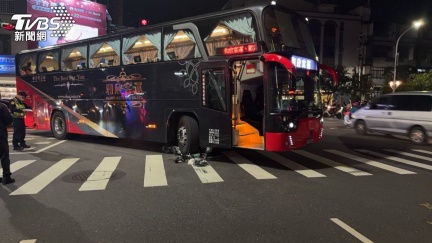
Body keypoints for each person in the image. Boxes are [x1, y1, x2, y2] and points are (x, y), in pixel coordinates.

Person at [0, 92, 15, 184]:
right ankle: (6, 176)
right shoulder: (2, 106)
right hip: (0, 133)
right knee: (4, 154)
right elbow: (9, 119)